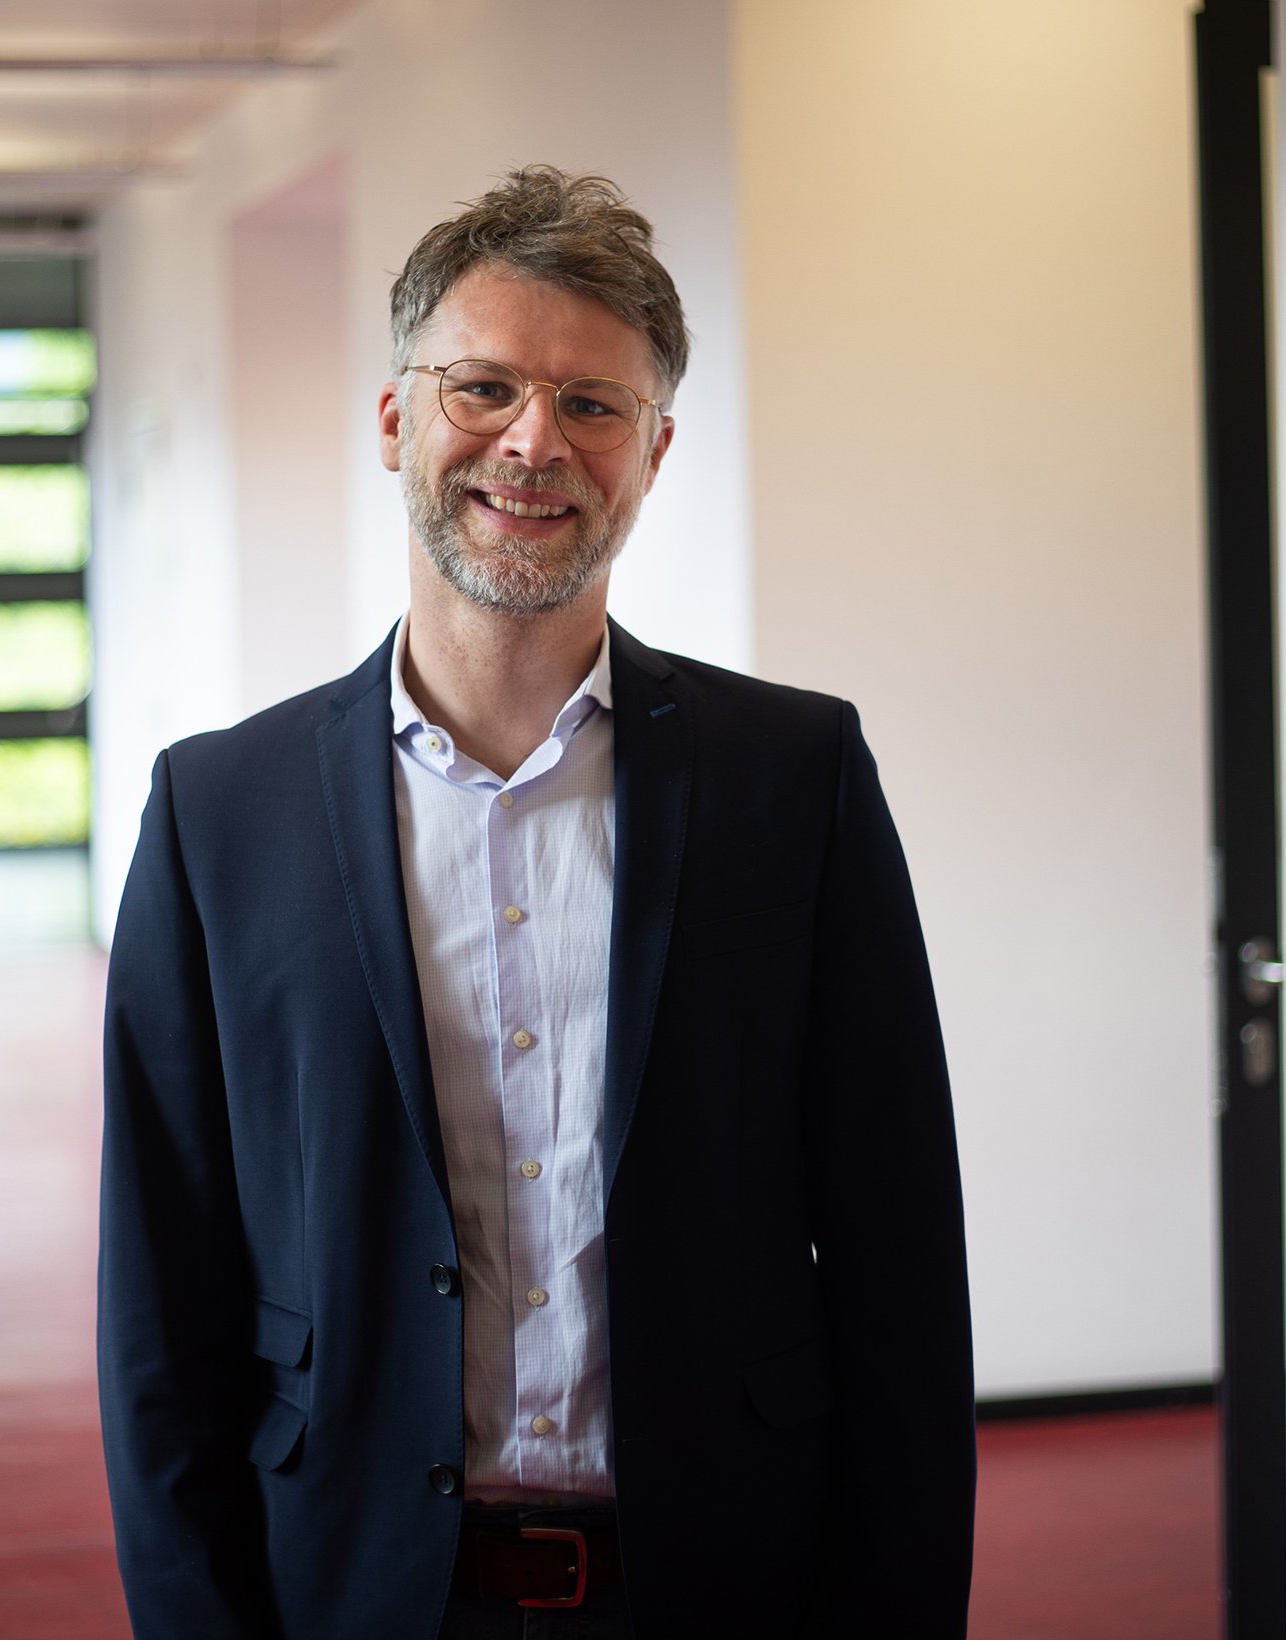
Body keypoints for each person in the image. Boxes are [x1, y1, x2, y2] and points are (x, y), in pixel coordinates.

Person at [97, 167, 976, 1640]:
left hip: (719, 1588)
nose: (532, 443)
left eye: (592, 405)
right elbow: (160, 1309)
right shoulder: (217, 816)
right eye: (483, 387)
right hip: (360, 1592)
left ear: (654, 450)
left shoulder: (796, 782)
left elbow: (899, 1266)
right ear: (395, 420)